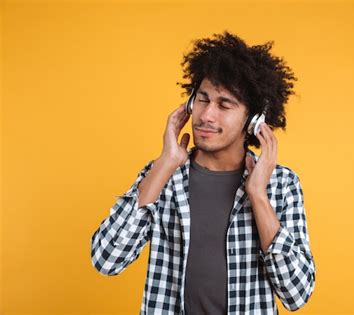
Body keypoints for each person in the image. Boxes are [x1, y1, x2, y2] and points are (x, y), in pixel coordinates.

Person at [91, 30, 316, 314]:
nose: (207, 115)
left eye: (224, 105)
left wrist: (258, 195)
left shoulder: (281, 184)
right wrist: (164, 164)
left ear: (253, 120)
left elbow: (297, 294)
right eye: (202, 99)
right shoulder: (162, 176)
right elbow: (106, 259)